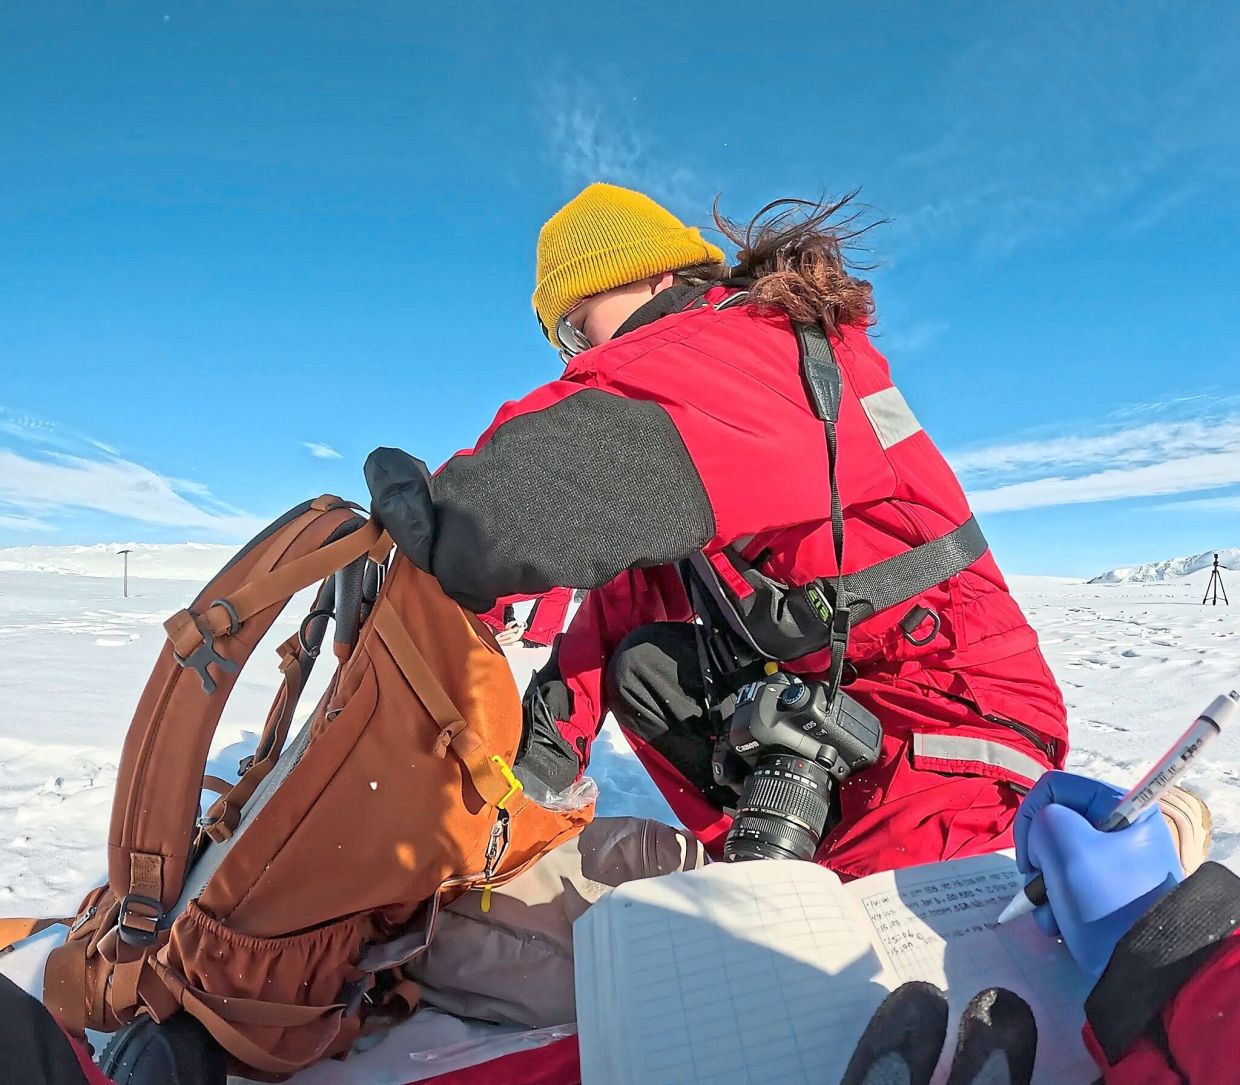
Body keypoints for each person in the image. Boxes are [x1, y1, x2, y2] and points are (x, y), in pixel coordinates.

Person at [367, 181, 1070, 878]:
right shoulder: (698, 409)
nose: (577, 353)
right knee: (642, 667)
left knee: (836, 962)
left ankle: (807, 881)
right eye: (563, 341)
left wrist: (449, 518)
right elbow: (610, 619)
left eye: (579, 325)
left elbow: (524, 506)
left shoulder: (753, 351)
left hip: (950, 725)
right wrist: (545, 754)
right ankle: (773, 855)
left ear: (651, 276)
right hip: (837, 710)